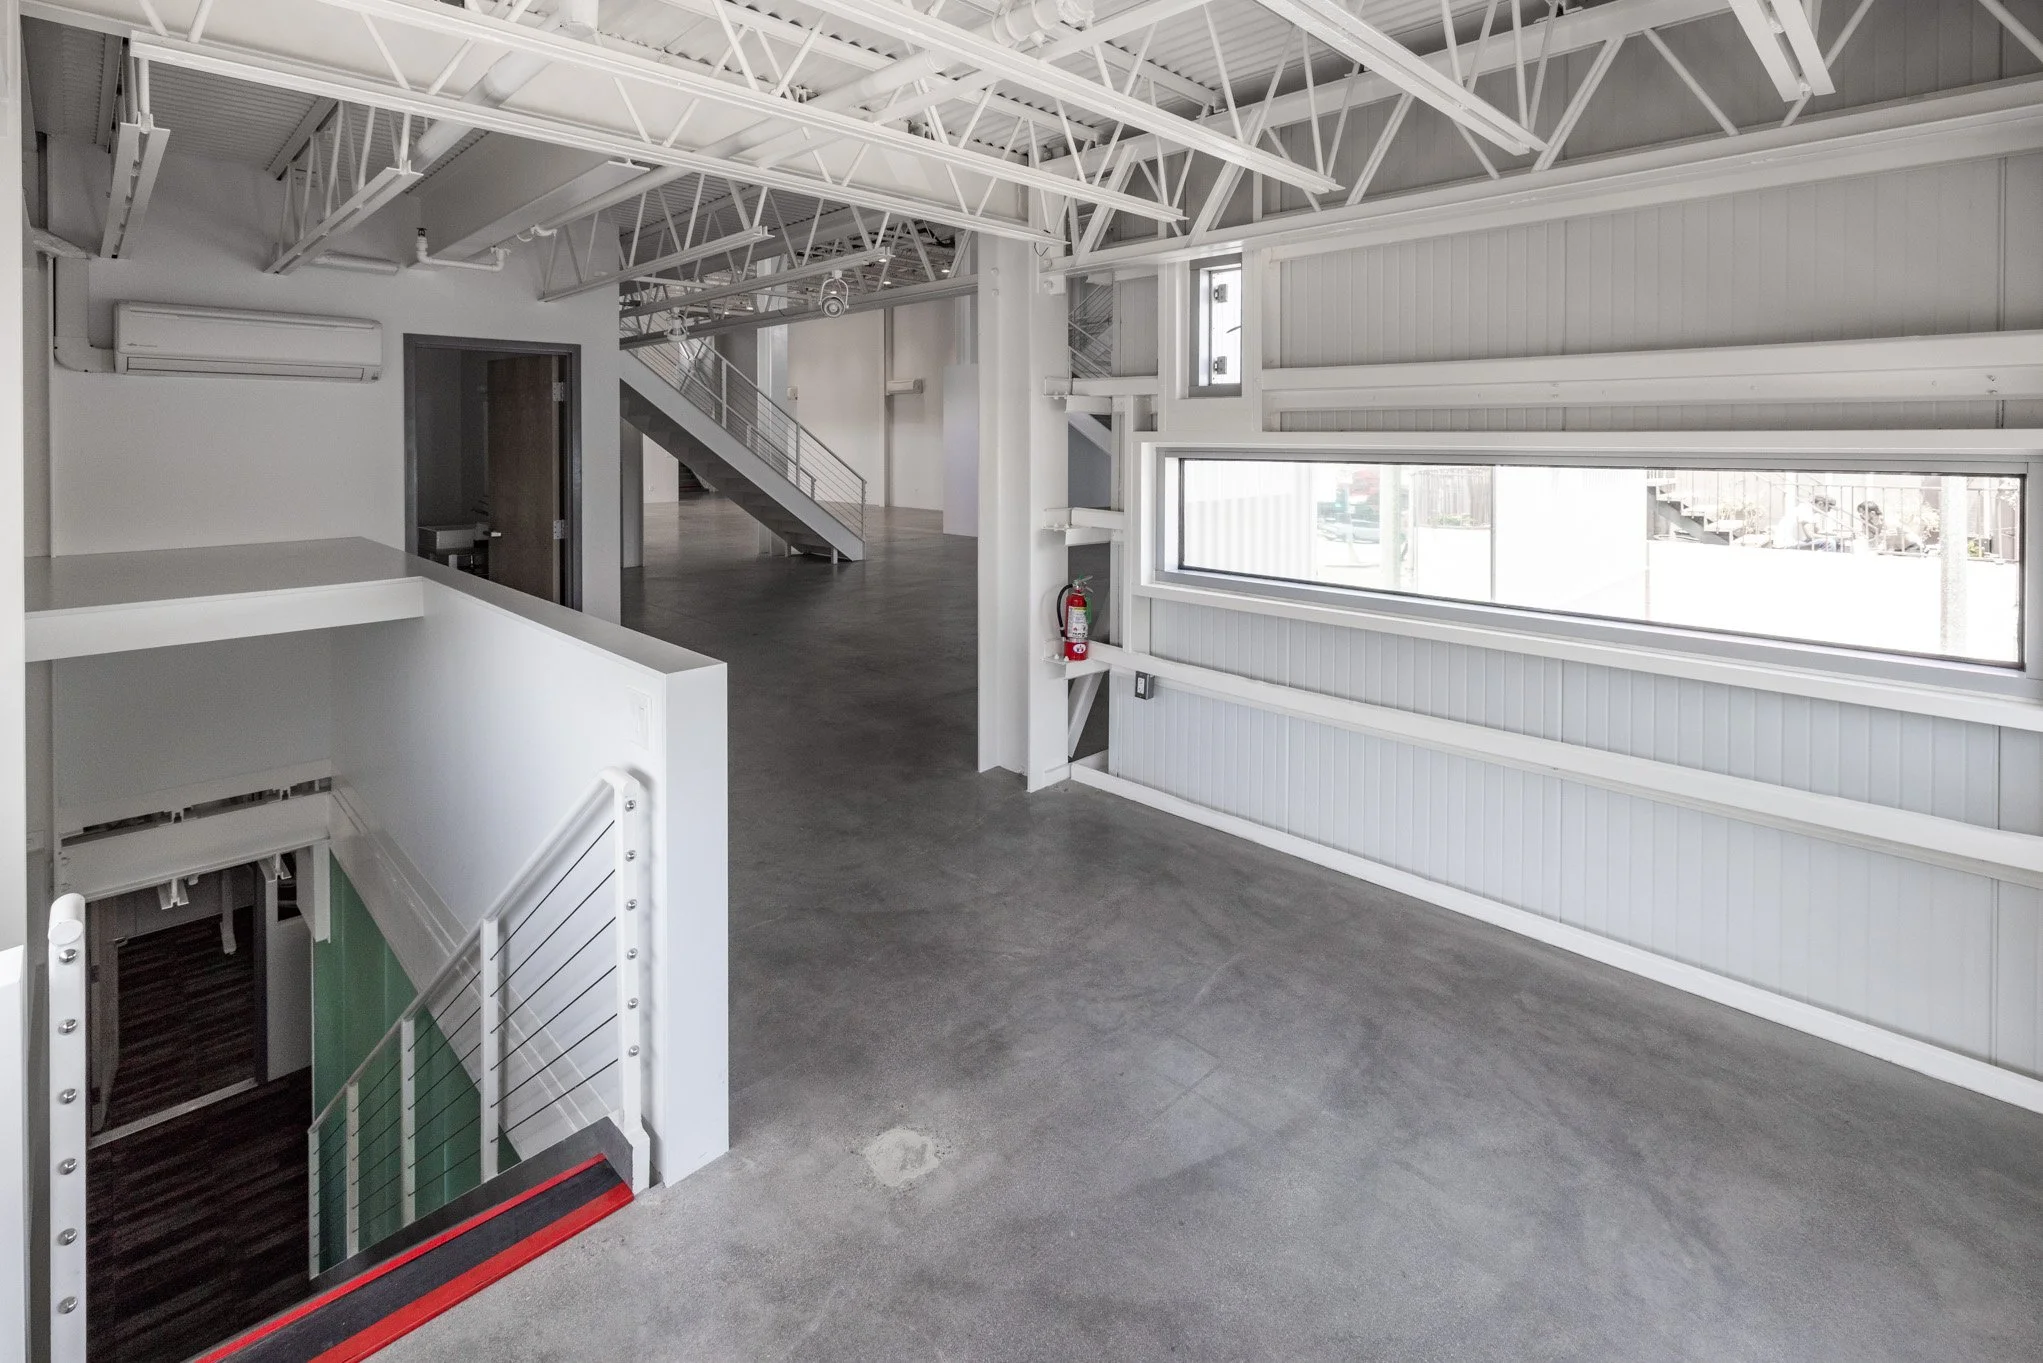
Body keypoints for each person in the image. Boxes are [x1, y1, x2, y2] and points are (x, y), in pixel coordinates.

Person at [1773, 493, 1841, 549]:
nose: (1829, 511)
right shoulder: (1806, 510)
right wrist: (1833, 537)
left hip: (1796, 542)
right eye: (1829, 508)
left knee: (1834, 541)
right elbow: (1810, 535)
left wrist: (1836, 535)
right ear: (1820, 504)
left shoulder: (1811, 511)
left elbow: (1817, 531)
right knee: (1829, 542)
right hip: (1786, 545)